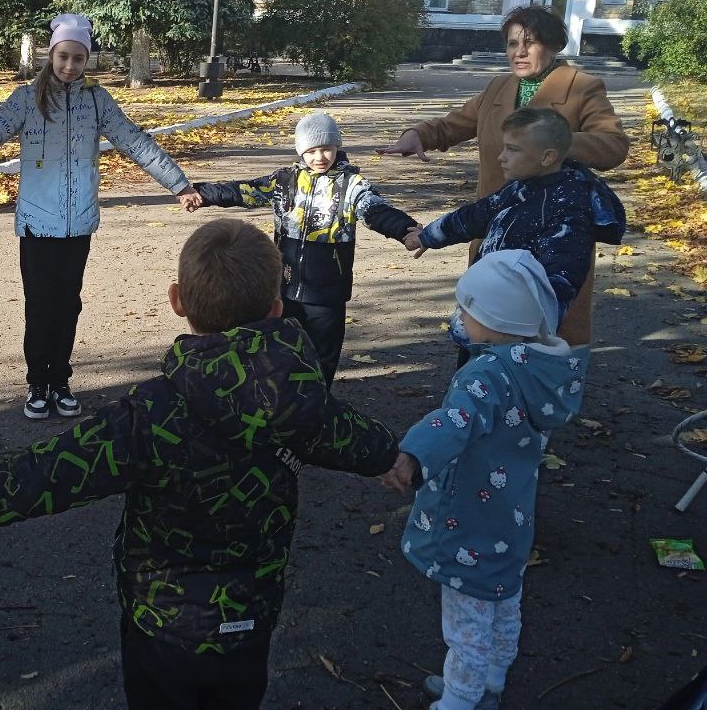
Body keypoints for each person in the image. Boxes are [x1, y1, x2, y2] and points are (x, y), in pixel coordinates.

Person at [0, 218, 400, 710]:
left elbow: (48, 472)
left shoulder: (150, 412)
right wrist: (406, 459)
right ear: (276, 308)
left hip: (164, 623)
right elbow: (367, 445)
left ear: (177, 300)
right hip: (252, 616)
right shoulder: (304, 402)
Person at [0, 13, 200, 420]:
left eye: (78, 58)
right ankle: (37, 384)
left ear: (86, 59)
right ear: (51, 54)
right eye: (63, 56)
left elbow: (134, 142)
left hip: (78, 224)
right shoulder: (26, 100)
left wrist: (179, 184)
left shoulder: (96, 100)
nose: (70, 66)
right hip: (37, 224)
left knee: (68, 304)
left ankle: (60, 381)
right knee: (40, 305)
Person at [381, 249, 589, 710]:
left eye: (467, 310)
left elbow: (453, 421)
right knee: (502, 597)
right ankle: (492, 678)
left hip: (470, 516)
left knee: (466, 615)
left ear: (497, 320)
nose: (459, 318)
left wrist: (412, 455)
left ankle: (460, 698)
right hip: (512, 515)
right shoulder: (541, 369)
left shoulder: (487, 373)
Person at [377, 4, 629, 345]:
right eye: (512, 44)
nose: (519, 52)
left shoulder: (582, 87)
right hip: (495, 231)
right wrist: (419, 134)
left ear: (554, 46)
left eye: (531, 42)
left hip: (554, 237)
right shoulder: (498, 88)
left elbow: (613, 145)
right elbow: (455, 124)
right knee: (486, 329)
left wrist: (552, 143)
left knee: (544, 337)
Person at [189, 111, 421, 386]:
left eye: (326, 149)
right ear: (301, 151)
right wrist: (202, 194)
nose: (319, 157)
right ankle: (278, 401)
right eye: (311, 150)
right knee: (277, 351)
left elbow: (376, 210)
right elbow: (243, 191)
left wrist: (405, 230)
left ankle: (318, 405)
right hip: (282, 289)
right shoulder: (284, 181)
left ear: (337, 147)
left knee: (321, 357)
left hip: (327, 293)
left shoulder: (352, 186)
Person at [403, 107, 626, 340]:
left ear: (547, 157)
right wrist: (427, 235)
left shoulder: (567, 210)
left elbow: (561, 280)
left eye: (513, 149)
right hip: (486, 321)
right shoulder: (522, 187)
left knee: (491, 375)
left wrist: (528, 336)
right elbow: (474, 216)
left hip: (515, 338)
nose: (501, 157)